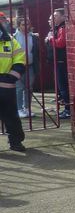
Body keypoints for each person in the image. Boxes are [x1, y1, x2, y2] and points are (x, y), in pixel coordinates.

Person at [0, 15, 26, 151]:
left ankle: (16, 142)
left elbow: (20, 62)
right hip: (6, 85)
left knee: (11, 116)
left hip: (6, 87)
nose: (4, 24)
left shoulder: (11, 41)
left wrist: (9, 79)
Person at [46, 9, 70, 119]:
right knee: (61, 87)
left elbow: (61, 43)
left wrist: (50, 38)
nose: (53, 18)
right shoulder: (57, 28)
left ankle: (68, 109)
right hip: (57, 61)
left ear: (63, 17)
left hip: (61, 61)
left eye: (56, 16)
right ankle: (66, 107)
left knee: (63, 86)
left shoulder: (62, 28)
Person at [14, 15, 38, 118]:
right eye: (23, 24)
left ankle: (27, 108)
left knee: (29, 88)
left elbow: (35, 51)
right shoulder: (14, 37)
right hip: (17, 66)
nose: (26, 26)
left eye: (27, 24)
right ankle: (19, 109)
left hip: (30, 65)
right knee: (19, 88)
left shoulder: (32, 36)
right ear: (19, 26)